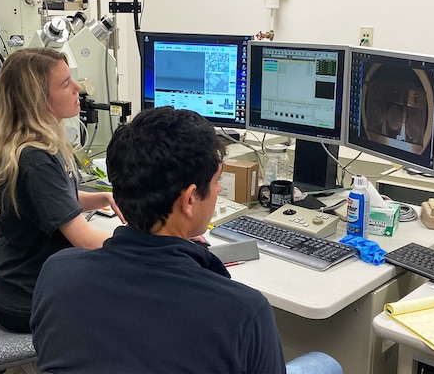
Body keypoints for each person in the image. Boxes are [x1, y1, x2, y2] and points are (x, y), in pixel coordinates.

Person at [30, 107, 287, 373]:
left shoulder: (55, 273)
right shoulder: (244, 313)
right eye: (216, 182)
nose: (219, 190)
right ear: (189, 200)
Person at [0, 47, 124, 333]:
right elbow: (85, 240)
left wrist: (101, 197)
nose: (78, 88)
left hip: (24, 285)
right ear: (37, 100)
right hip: (29, 301)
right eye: (65, 84)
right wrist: (152, 240)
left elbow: (55, 202)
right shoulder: (34, 160)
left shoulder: (39, 146)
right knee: (134, 302)